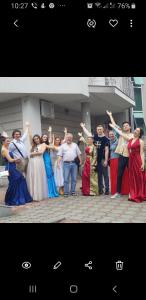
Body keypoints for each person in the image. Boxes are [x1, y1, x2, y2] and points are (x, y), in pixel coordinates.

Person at [109, 125, 146, 203]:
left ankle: (139, 193)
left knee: (138, 176)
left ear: (139, 134)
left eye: (137, 131)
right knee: (132, 177)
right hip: (131, 160)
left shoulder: (141, 141)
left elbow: (142, 153)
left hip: (137, 160)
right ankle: (132, 192)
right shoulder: (130, 139)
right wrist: (114, 127)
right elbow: (121, 133)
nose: (135, 131)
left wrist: (143, 163)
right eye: (135, 130)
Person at [106, 111, 133, 198]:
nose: (125, 127)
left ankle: (132, 192)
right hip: (121, 156)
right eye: (124, 126)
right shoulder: (120, 132)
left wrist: (119, 131)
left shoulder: (132, 135)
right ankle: (118, 192)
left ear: (130, 127)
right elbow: (114, 124)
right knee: (119, 174)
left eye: (126, 125)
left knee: (131, 174)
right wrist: (110, 115)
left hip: (129, 156)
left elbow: (128, 138)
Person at [1, 136, 33, 206]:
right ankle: (10, 199)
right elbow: (10, 160)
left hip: (13, 166)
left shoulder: (7, 148)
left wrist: (16, 161)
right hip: (10, 168)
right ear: (3, 142)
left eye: (9, 141)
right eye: (7, 141)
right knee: (14, 182)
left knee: (21, 179)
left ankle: (22, 198)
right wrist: (17, 159)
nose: (9, 142)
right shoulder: (4, 150)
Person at [80, 123, 110, 195]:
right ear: (96, 130)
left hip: (102, 159)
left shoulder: (106, 139)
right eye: (98, 129)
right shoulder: (95, 137)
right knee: (98, 175)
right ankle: (100, 189)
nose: (99, 130)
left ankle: (107, 190)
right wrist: (83, 127)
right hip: (95, 160)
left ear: (103, 130)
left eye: (100, 129)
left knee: (105, 175)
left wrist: (106, 160)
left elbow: (106, 150)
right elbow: (88, 134)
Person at [27, 134, 49, 201]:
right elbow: (29, 137)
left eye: (37, 138)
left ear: (39, 138)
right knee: (33, 177)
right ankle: (32, 195)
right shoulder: (34, 146)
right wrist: (28, 127)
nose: (36, 140)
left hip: (39, 162)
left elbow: (41, 152)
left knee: (38, 177)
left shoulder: (43, 145)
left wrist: (31, 153)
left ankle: (38, 195)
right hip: (32, 163)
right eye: (35, 139)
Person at [109, 130, 129, 195]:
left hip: (118, 159)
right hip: (112, 159)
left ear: (115, 134)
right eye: (110, 134)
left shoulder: (118, 141)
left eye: (112, 134)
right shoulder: (109, 141)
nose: (111, 135)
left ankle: (123, 191)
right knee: (113, 176)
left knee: (120, 175)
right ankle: (114, 191)